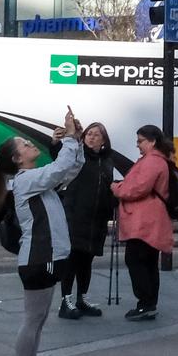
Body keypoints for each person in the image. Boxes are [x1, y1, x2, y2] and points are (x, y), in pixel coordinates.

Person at [0, 110, 84, 356]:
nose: (29, 144)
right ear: (17, 159)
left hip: (43, 257)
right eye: (24, 144)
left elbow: (70, 171)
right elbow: (60, 170)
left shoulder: (34, 179)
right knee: (32, 320)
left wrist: (74, 143)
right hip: (39, 258)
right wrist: (71, 140)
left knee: (36, 321)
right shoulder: (26, 181)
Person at [58, 121, 127, 316]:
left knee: (86, 259)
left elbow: (106, 185)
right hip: (75, 215)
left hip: (96, 218)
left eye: (96, 134)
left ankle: (82, 298)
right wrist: (57, 142)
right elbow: (58, 159)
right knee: (72, 258)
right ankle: (66, 300)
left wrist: (112, 200)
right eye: (89, 133)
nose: (91, 137)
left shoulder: (107, 160)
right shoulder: (78, 156)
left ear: (104, 140)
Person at [110, 124, 174, 320]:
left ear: (152, 141)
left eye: (140, 141)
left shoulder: (152, 162)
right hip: (150, 218)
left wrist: (117, 189)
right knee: (148, 262)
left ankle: (145, 303)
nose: (137, 145)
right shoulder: (157, 160)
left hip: (144, 221)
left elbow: (138, 188)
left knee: (136, 259)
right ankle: (149, 303)